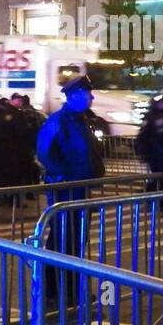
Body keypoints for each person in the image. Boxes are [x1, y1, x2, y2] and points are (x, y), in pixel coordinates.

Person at [35, 76, 105, 291]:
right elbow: (44, 151)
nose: (91, 97)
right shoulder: (60, 120)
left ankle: (67, 287)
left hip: (79, 188)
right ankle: (59, 288)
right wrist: (62, 176)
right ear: (73, 96)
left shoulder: (80, 120)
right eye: (87, 94)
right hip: (67, 190)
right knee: (64, 238)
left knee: (75, 239)